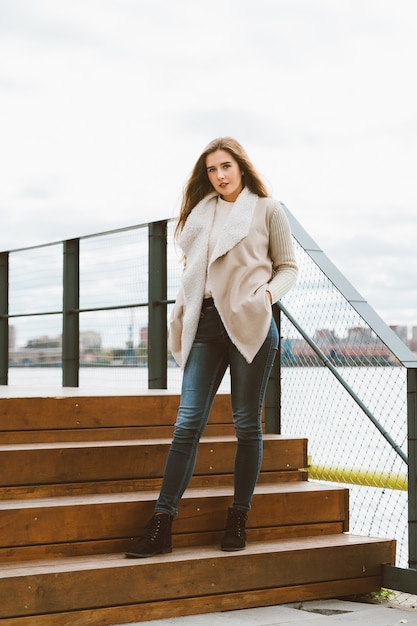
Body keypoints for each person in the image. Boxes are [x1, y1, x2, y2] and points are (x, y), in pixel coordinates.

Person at [126, 137, 298, 558]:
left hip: (249, 321)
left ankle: (238, 516)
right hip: (203, 322)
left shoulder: (267, 209)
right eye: (211, 170)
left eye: (226, 166)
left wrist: (265, 298)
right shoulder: (200, 215)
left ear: (241, 166)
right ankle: (161, 523)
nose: (219, 175)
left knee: (246, 423)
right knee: (187, 424)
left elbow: (288, 267)